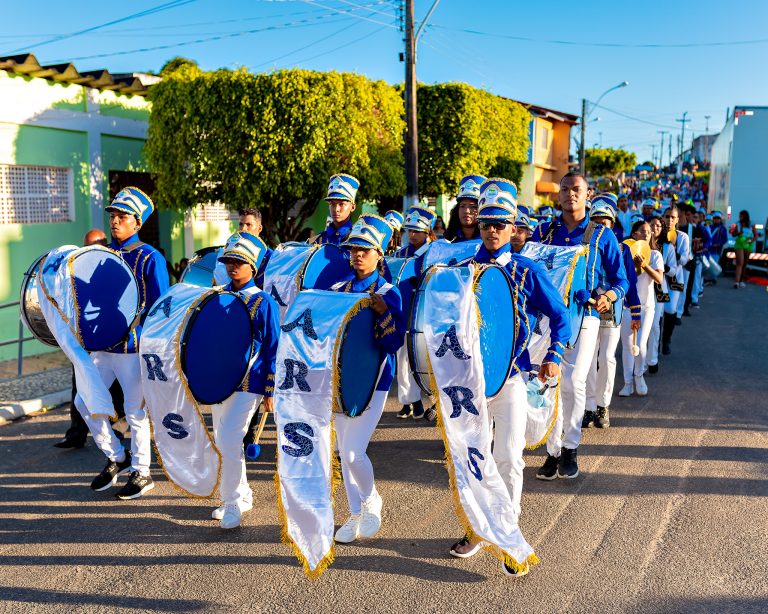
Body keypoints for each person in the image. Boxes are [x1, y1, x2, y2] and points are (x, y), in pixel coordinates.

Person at [448, 178, 570, 578]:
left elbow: (560, 317)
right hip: (470, 381)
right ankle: (478, 528)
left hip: (513, 376)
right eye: (486, 223)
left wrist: (553, 355)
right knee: (473, 456)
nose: (492, 230)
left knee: (509, 456)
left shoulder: (526, 270)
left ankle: (507, 531)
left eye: (500, 224)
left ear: (513, 226)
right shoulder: (462, 269)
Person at [75, 187, 169, 499]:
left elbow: (162, 307)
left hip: (132, 348)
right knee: (84, 402)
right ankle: (117, 455)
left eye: (122, 216)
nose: (115, 221)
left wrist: (153, 347)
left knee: (135, 411)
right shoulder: (102, 255)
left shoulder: (151, 257)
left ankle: (142, 472)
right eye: (113, 215)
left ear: (137, 222)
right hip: (102, 346)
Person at [533, 173, 628, 479]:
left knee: (574, 382)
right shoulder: (543, 232)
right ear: (558, 195)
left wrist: (609, 297)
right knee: (548, 383)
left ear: (588, 195)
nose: (570, 194)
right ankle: (552, 451)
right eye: (565, 189)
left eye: (577, 190)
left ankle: (570, 448)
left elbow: (621, 280)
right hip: (548, 318)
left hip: (584, 317)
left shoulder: (602, 235)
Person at [331, 214, 405, 544]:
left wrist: (383, 313)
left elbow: (394, 343)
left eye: (365, 249)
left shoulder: (390, 292)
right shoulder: (336, 290)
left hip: (374, 381)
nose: (357, 254)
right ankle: (355, 512)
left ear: (379, 254)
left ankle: (371, 499)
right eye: (353, 249)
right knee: (343, 451)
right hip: (340, 382)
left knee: (352, 453)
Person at [208, 232, 279, 529]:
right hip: (219, 380)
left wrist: (270, 389)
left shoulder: (264, 301)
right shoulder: (217, 296)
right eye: (229, 261)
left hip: (251, 381)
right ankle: (243, 493)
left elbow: (274, 346)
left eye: (239, 262)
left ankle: (232, 502)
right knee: (224, 441)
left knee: (229, 439)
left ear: (253, 266)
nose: (232, 266)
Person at [54, 229, 126, 450]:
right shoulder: (78, 268)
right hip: (84, 336)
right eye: (86, 246)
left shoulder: (112, 267)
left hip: (109, 336)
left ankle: (115, 427)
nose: (88, 250)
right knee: (80, 383)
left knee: (114, 388)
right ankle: (76, 433)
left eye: (93, 245)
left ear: (104, 245)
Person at [582, 196, 640, 428]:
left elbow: (629, 281)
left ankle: (602, 405)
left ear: (612, 224)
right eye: (595, 221)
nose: (600, 225)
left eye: (604, 221)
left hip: (612, 310)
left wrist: (635, 311)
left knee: (606, 357)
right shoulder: (584, 246)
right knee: (587, 358)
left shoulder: (623, 249)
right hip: (588, 308)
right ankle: (588, 406)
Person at [394, 206, 436, 420]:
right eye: (410, 230)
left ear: (427, 232)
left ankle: (433, 401)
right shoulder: (400, 254)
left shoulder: (435, 253)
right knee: (403, 358)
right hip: (404, 311)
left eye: (417, 231)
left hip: (426, 313)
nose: (412, 235)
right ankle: (410, 401)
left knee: (426, 357)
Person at [619, 220, 664, 396]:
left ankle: (639, 376)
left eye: (649, 232)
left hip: (646, 307)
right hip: (627, 306)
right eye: (643, 231)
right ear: (634, 234)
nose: (647, 234)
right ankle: (627, 383)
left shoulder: (655, 255)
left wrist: (644, 265)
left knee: (640, 344)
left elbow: (659, 279)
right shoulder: (625, 254)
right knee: (627, 346)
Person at [645, 216, 675, 374]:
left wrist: (663, 267)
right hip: (642, 289)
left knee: (654, 325)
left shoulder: (668, 247)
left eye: (658, 225)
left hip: (659, 291)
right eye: (652, 225)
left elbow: (674, 271)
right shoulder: (640, 244)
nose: (655, 227)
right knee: (641, 325)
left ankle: (652, 359)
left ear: (662, 229)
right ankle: (640, 360)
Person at [661, 205, 689, 355]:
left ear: (678, 219)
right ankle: (655, 342)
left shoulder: (683, 237)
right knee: (658, 311)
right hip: (659, 279)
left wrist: (674, 250)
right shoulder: (657, 234)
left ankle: (666, 340)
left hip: (675, 279)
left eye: (673, 217)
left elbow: (684, 260)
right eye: (667, 216)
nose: (669, 220)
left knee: (671, 309)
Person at [311, 174, 359, 246]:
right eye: (332, 204)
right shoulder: (317, 240)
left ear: (352, 207)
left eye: (341, 204)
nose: (336, 209)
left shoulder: (358, 241)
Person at [444, 174, 484, 242]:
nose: (466, 211)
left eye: (473, 207)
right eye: (462, 206)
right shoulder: (448, 240)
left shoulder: (487, 241)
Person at [733, 209, 756, 288]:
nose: (740, 218)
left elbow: (755, 235)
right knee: (740, 262)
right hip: (739, 243)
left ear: (745, 216)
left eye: (741, 216)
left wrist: (750, 240)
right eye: (739, 216)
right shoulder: (737, 224)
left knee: (744, 263)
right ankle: (736, 282)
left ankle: (741, 281)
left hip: (748, 244)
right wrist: (738, 233)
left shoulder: (751, 224)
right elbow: (733, 234)